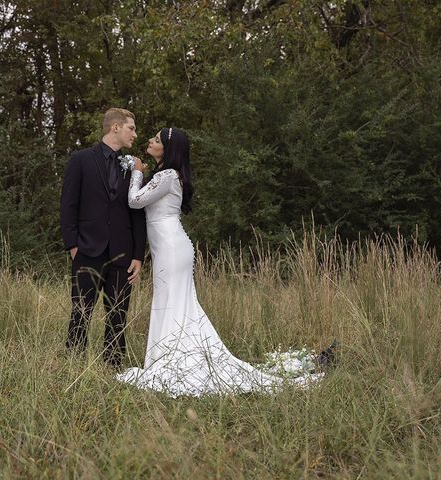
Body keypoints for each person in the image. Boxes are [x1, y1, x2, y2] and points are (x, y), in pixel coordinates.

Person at [116, 127, 322, 396]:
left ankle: (172, 361)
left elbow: (134, 201)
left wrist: (136, 171)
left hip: (171, 247)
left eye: (156, 140)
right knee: (173, 302)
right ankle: (163, 358)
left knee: (173, 302)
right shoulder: (167, 175)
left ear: (169, 148)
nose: (150, 141)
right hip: (169, 246)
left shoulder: (166, 175)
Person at [60, 108, 147, 368]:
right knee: (81, 313)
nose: (135, 133)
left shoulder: (132, 166)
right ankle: (73, 366)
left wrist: (138, 255)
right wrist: (73, 245)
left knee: (118, 315)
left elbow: (137, 212)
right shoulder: (81, 159)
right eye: (131, 128)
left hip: (122, 253)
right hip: (87, 249)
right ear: (115, 128)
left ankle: (113, 367)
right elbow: (68, 205)